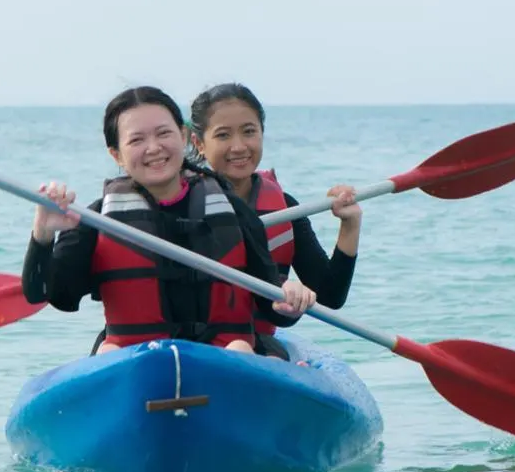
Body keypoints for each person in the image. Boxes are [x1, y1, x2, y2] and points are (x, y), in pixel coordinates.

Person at [21, 86, 316, 354]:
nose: (154, 148)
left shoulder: (233, 211)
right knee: (108, 352)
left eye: (163, 133)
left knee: (239, 348)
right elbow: (49, 295)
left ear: (184, 137)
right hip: (138, 362)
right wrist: (43, 234)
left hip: (223, 359)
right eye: (137, 139)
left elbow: (272, 306)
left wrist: (288, 299)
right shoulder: (99, 219)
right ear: (117, 155)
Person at [189, 82, 361, 357]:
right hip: (188, 341)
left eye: (249, 132)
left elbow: (329, 297)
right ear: (199, 143)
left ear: (262, 134)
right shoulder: (183, 204)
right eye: (223, 135)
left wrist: (350, 225)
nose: (238, 146)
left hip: (253, 343)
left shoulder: (284, 208)